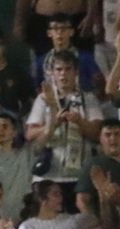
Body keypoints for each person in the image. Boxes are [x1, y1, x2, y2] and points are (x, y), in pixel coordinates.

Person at [27, 50, 102, 207]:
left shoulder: (88, 99)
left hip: (79, 175)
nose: (63, 74)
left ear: (76, 72)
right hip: (48, 175)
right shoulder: (43, 99)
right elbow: (30, 134)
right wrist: (53, 123)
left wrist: (80, 122)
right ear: (52, 73)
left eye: (68, 69)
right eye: (59, 70)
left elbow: (97, 133)